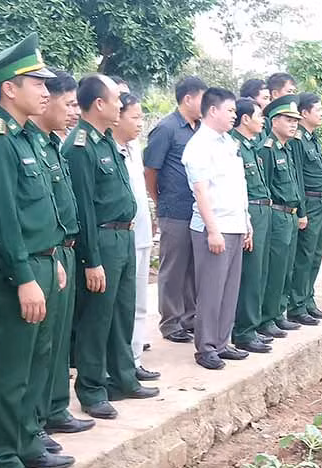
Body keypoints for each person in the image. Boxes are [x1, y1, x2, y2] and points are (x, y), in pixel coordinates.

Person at [0, 33, 75, 468]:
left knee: (37, 359)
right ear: (8, 90)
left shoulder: (26, 139)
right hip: (13, 271)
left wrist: (51, 258)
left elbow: (37, 212)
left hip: (43, 262)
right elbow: (3, 221)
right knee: (9, 365)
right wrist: (24, 276)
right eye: (34, 82)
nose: (45, 90)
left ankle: (23, 441)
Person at [64, 75, 159, 420]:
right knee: (96, 318)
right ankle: (91, 388)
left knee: (122, 312)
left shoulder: (106, 142)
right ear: (99, 104)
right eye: (116, 99)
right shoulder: (80, 146)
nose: (122, 105)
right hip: (101, 239)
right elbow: (84, 208)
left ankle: (123, 378)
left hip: (123, 236)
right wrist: (91, 259)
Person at [28, 69, 96, 445]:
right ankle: (32, 424)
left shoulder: (51, 145)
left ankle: (54, 409)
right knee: (36, 348)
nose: (74, 111)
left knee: (54, 341)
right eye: (68, 103)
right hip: (41, 257)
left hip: (61, 253)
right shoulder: (27, 144)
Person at [182, 88, 252, 370]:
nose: (235, 116)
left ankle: (222, 342)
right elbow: (201, 193)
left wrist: (246, 222)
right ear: (213, 111)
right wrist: (213, 230)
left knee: (229, 289)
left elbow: (238, 186)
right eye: (231, 111)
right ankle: (206, 347)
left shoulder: (227, 143)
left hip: (234, 222)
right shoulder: (199, 146)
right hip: (214, 227)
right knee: (211, 290)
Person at [144, 76, 207, 344]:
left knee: (193, 268)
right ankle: (170, 323)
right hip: (175, 208)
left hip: (196, 210)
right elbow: (150, 170)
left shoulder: (199, 129)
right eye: (203, 99)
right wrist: (159, 201)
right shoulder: (167, 128)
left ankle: (189, 317)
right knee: (173, 268)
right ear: (188, 98)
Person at [115, 92, 160, 382]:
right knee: (123, 307)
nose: (140, 123)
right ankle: (120, 365)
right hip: (122, 238)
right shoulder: (110, 149)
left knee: (140, 305)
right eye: (135, 117)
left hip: (142, 235)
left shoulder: (133, 149)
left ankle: (133, 360)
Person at [257, 95, 305, 338]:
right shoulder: (267, 149)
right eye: (288, 119)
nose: (293, 124)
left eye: (296, 120)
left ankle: (278, 313)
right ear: (274, 121)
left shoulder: (287, 148)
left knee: (286, 268)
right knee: (274, 269)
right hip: (276, 214)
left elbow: (296, 184)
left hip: (291, 215)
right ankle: (266, 317)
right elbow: (264, 188)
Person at [231, 98, 274, 354]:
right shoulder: (235, 147)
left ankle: (253, 326)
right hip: (251, 210)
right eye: (259, 115)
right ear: (245, 119)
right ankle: (244, 332)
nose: (262, 120)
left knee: (260, 271)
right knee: (250, 273)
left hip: (262, 208)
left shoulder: (250, 146)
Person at [287, 92, 322, 326]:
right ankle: (296, 305)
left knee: (316, 254)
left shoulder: (313, 139)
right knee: (304, 256)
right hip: (310, 202)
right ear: (304, 113)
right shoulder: (297, 140)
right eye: (318, 109)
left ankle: (308, 300)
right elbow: (298, 178)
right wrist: (302, 211)